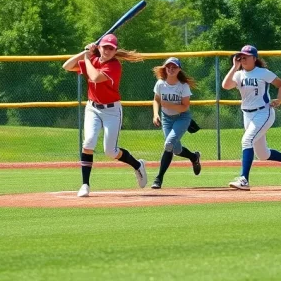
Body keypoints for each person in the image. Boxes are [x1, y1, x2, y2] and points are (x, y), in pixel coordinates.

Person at [63, 34, 147, 198]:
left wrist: (88, 58)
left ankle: (137, 165)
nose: (108, 50)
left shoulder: (114, 66)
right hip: (92, 108)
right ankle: (85, 184)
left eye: (111, 48)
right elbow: (66, 66)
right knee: (88, 142)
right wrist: (85, 52)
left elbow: (94, 77)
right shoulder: (92, 59)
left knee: (110, 151)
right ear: (99, 47)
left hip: (112, 110)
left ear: (115, 51)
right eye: (105, 47)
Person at [221, 45, 281, 190]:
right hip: (247, 114)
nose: (243, 58)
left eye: (246, 56)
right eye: (241, 56)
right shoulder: (239, 74)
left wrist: (279, 99)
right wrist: (234, 67)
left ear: (254, 58)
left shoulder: (263, 72)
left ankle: (244, 179)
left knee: (247, 140)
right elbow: (225, 85)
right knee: (263, 154)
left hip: (263, 113)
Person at [151, 57, 202, 189]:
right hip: (166, 118)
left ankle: (159, 178)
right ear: (165, 68)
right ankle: (193, 157)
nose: (171, 69)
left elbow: (185, 106)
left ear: (179, 69)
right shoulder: (160, 83)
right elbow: (156, 100)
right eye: (169, 67)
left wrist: (168, 105)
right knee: (176, 149)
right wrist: (156, 114)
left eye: (174, 67)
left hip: (182, 118)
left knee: (169, 144)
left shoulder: (183, 86)